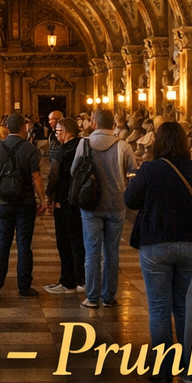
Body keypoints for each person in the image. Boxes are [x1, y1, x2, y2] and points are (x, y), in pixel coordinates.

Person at [123, 120, 192, 383]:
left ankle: (163, 370)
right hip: (191, 243)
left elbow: (130, 200)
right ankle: (190, 370)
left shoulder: (149, 169)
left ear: (158, 142)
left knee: (159, 308)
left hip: (155, 243)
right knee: (186, 306)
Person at [72, 109, 136, 309]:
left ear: (93, 123)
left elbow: (74, 170)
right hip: (116, 204)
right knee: (112, 252)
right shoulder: (123, 146)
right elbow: (134, 173)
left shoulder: (84, 143)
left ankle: (92, 297)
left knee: (92, 252)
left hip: (91, 204)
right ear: (113, 124)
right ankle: (108, 296)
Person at [0, 113, 46, 298]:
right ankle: (24, 287)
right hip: (25, 202)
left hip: (3, 203)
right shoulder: (29, 148)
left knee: (2, 243)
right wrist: (43, 199)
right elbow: (36, 177)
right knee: (24, 245)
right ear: (23, 127)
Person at [43, 115, 84, 294]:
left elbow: (53, 176)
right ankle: (82, 280)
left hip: (64, 200)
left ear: (66, 132)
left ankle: (67, 281)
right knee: (79, 240)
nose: (56, 134)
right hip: (82, 199)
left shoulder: (61, 150)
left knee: (64, 241)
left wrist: (48, 196)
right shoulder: (85, 146)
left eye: (58, 131)